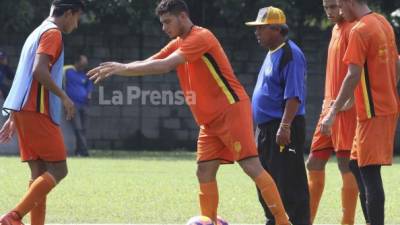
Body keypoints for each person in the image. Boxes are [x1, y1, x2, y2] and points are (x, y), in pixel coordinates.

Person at [88, 0, 290, 224]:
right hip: (209, 120)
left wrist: (122, 68)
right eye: (162, 23)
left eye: (167, 22)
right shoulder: (179, 42)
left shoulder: (200, 37)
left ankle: (283, 221)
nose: (164, 28)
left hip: (230, 109)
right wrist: (120, 68)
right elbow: (152, 61)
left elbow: (165, 65)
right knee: (203, 171)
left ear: (182, 16)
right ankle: (210, 220)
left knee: (251, 166)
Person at [0, 1, 84, 224]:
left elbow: (24, 73)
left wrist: (13, 115)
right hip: (38, 110)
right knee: (59, 169)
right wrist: (65, 97)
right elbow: (38, 71)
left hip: (23, 110)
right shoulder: (53, 33)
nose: (76, 25)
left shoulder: (36, 32)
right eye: (77, 18)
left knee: (39, 173)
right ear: (68, 13)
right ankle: (14, 216)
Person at [321, 0, 400, 224]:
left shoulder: (359, 30)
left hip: (373, 112)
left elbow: (352, 74)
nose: (339, 11)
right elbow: (395, 64)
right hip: (381, 108)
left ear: (349, 2)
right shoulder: (383, 22)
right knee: (355, 165)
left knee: (369, 173)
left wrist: (333, 110)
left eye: (339, 5)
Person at [245, 6, 309, 225]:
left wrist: (285, 127)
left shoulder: (291, 54)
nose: (257, 33)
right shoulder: (271, 53)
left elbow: (293, 96)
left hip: (282, 127)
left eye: (261, 28)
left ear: (277, 29)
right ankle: (274, 220)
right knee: (266, 181)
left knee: (290, 183)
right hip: (265, 129)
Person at [305, 0, 359, 224]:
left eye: (334, 6)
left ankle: (347, 222)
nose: (330, 12)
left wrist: (348, 101)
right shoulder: (336, 29)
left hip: (344, 109)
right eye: (326, 7)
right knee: (313, 163)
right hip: (328, 108)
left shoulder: (354, 29)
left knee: (345, 164)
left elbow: (359, 70)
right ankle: (305, 220)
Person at [64, 54, 93, 156]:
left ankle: (78, 151)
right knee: (78, 128)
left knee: (83, 129)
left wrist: (89, 94)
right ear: (76, 62)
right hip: (73, 105)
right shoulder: (68, 71)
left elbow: (89, 86)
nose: (84, 65)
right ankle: (85, 152)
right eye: (83, 63)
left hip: (84, 104)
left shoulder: (85, 74)